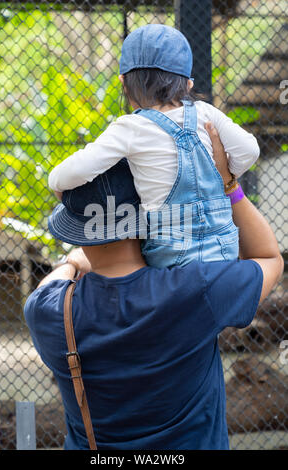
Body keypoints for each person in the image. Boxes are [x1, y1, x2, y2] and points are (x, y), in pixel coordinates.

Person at [24, 124, 283, 450]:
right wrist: (228, 184)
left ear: (78, 233)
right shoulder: (195, 290)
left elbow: (49, 286)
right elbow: (269, 258)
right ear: (148, 216)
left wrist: (72, 263)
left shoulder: (49, 311)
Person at [48, 24, 260, 268]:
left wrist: (57, 185)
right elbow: (250, 151)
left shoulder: (130, 126)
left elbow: (72, 173)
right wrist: (221, 176)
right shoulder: (206, 113)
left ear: (124, 83)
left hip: (170, 257)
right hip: (224, 251)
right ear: (188, 85)